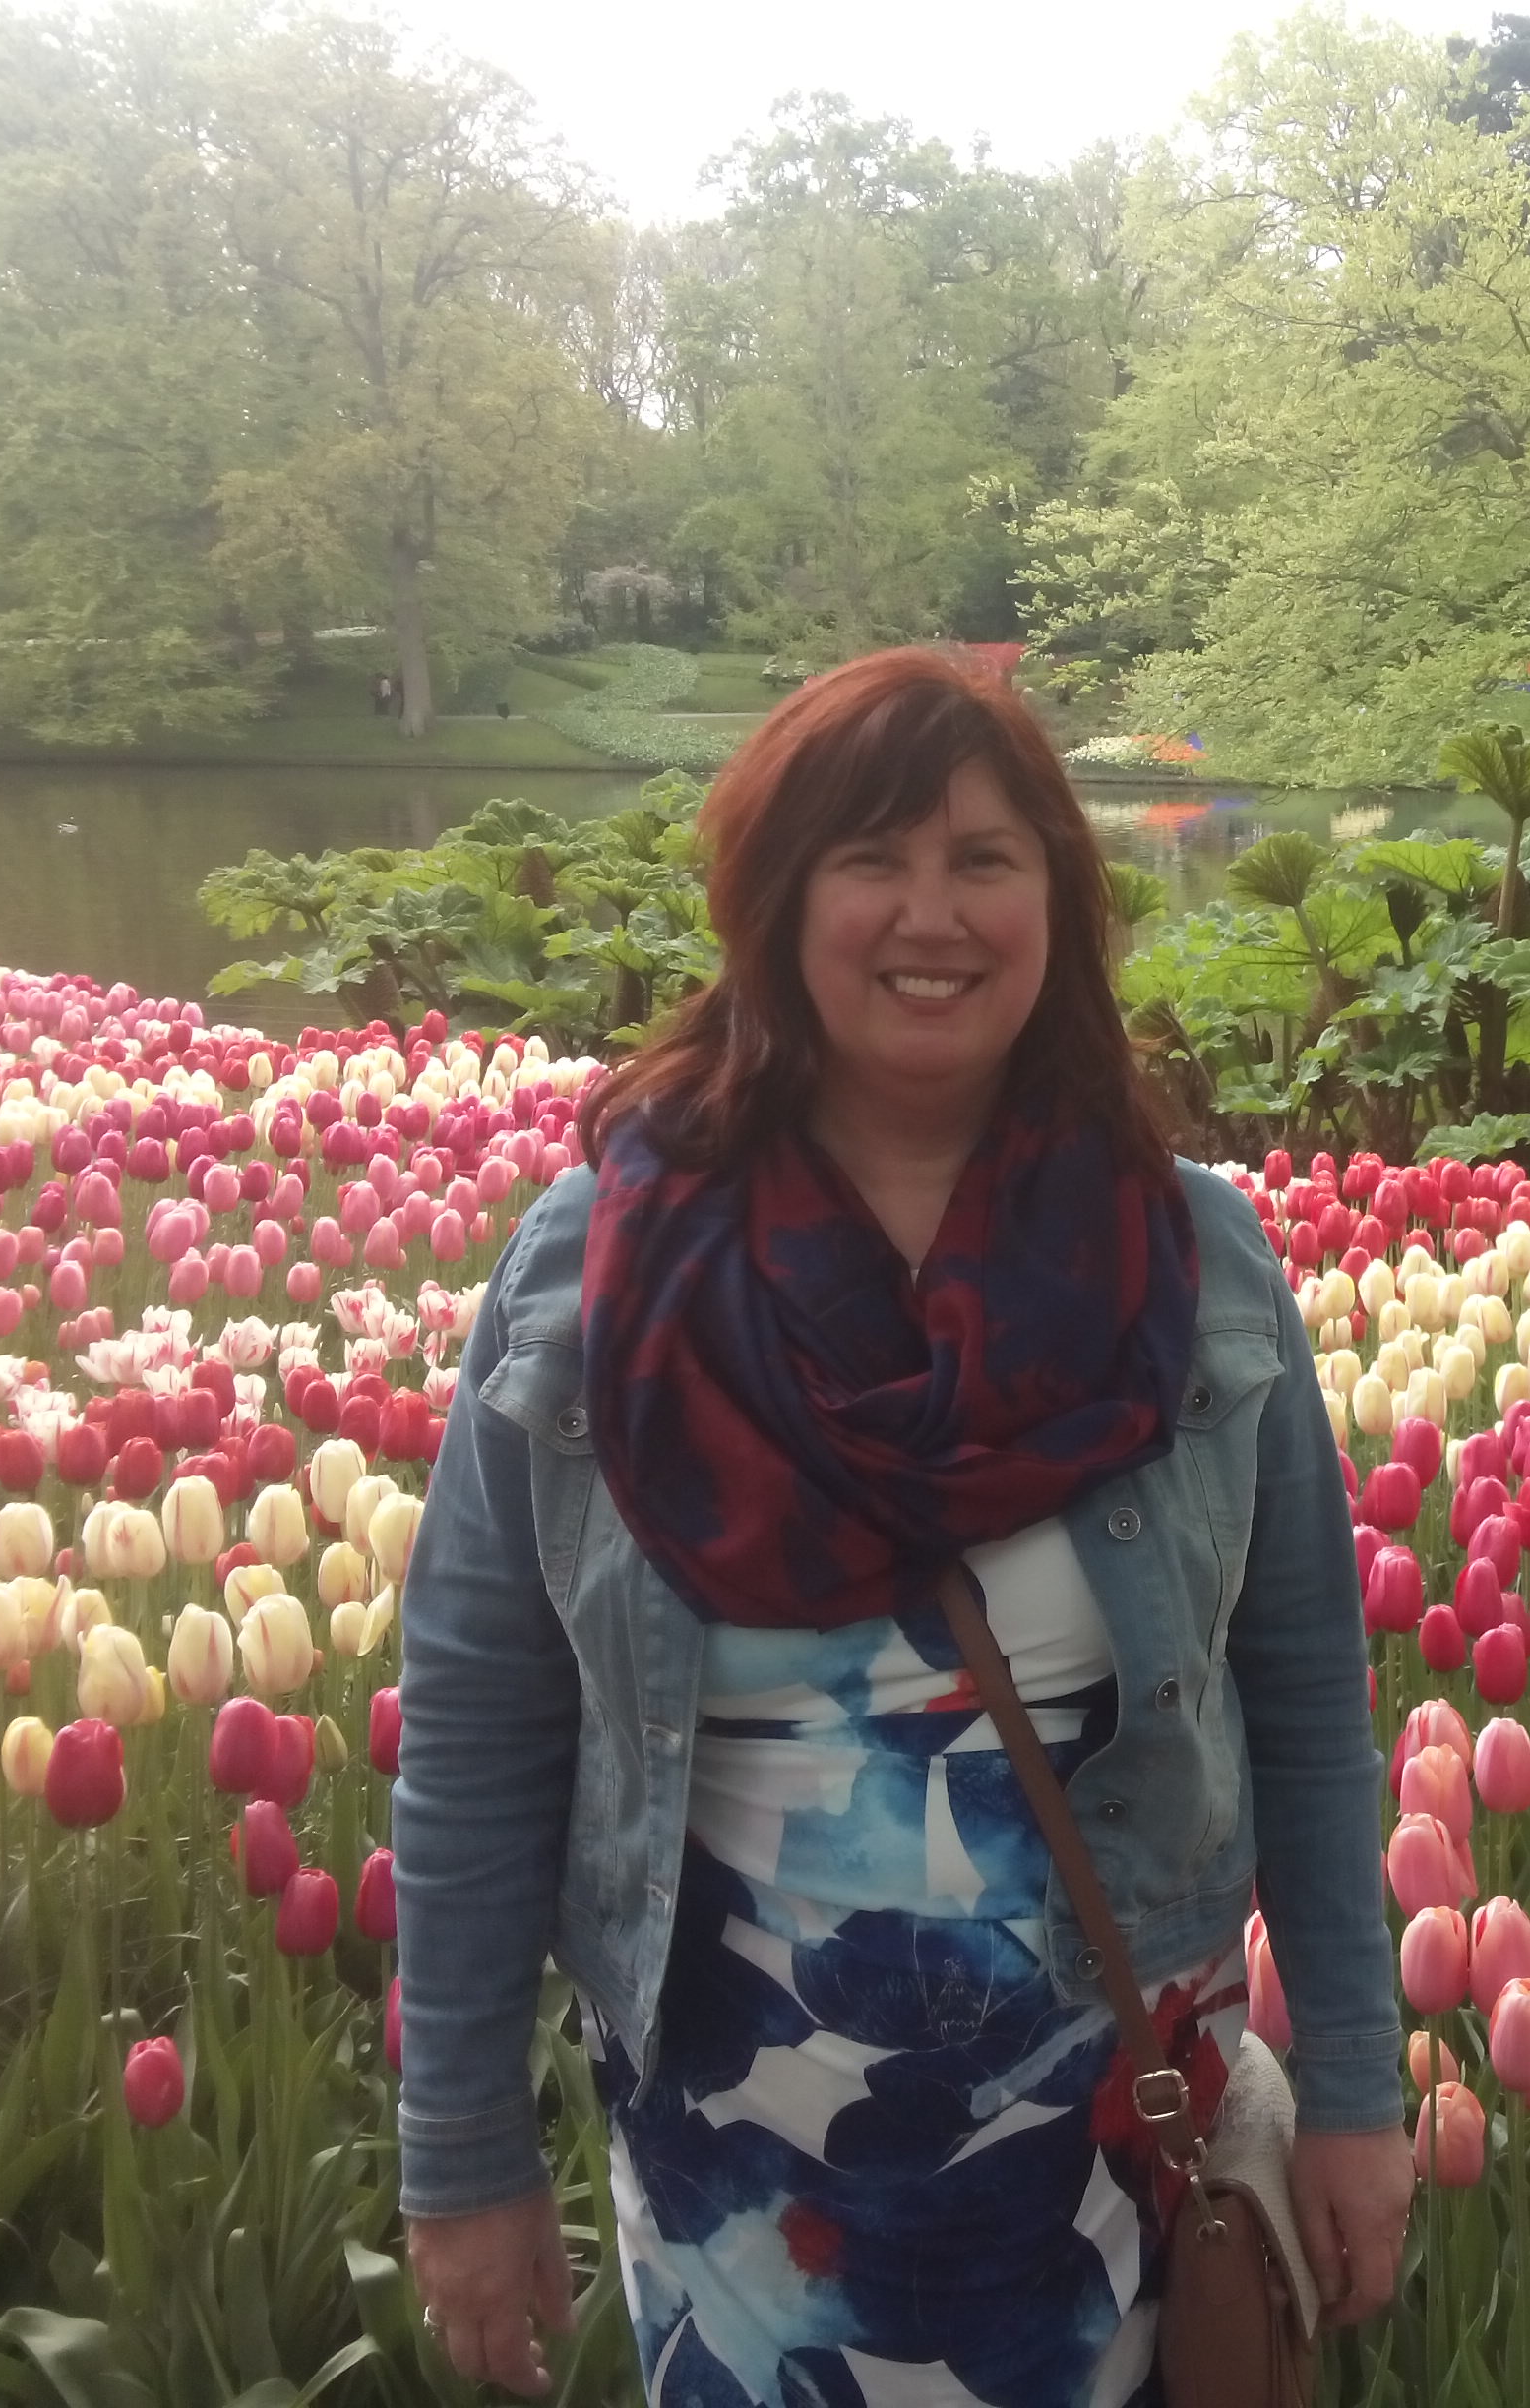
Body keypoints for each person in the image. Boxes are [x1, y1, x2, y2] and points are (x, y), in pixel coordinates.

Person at [393, 648, 1409, 2406]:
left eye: (983, 859)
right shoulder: (600, 1275)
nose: (930, 914)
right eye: (871, 857)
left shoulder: (1189, 1262)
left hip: (1115, 2144)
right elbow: (479, 1726)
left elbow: (1309, 1702)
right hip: (738, 2171)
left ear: (1055, 907)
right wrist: (463, 2151)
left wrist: (1358, 2094)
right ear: (779, 901)